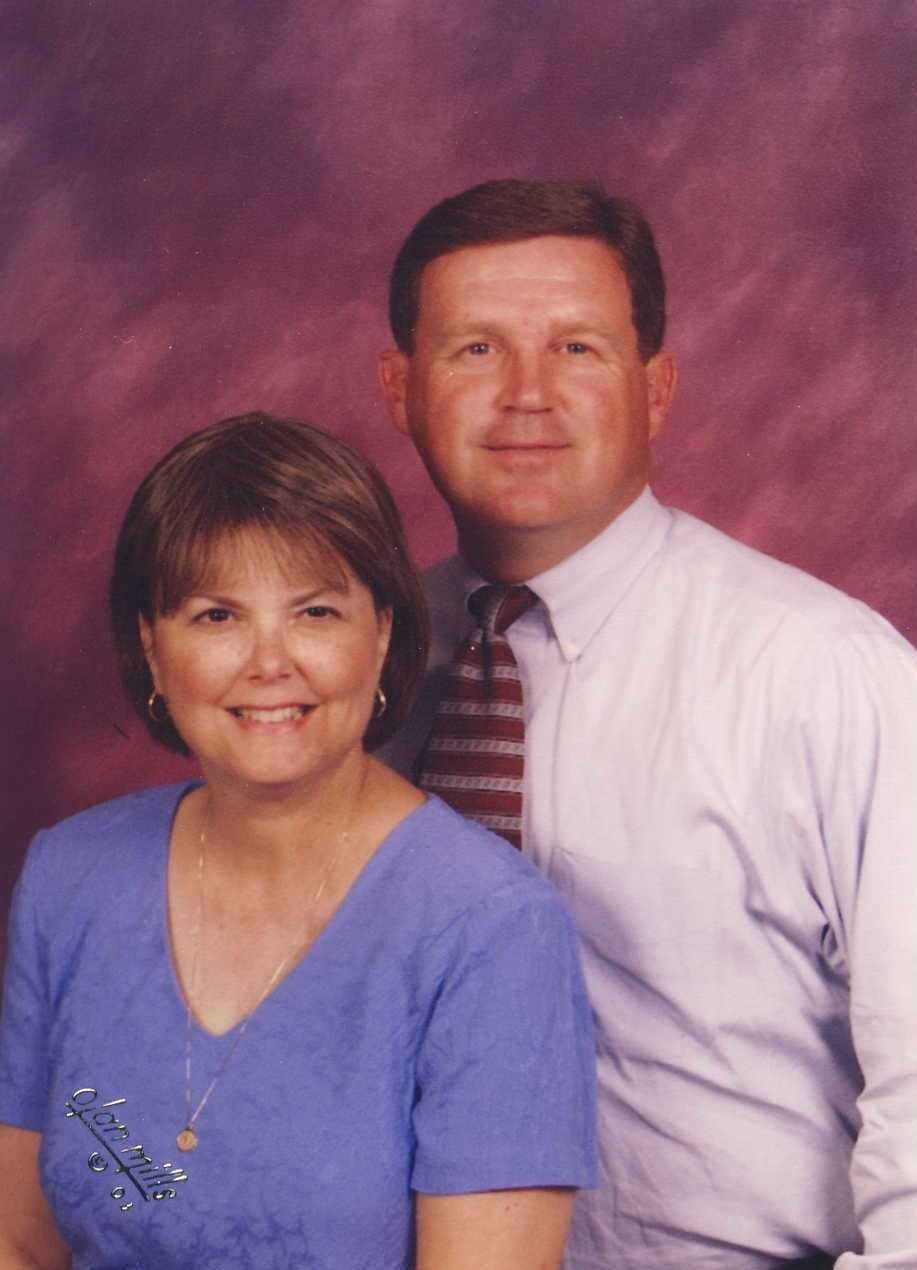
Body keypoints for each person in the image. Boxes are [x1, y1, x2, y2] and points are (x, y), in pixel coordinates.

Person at [377, 179, 917, 1270]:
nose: (526, 395)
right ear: (400, 389)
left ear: (655, 387)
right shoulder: (359, 669)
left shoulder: (820, 671)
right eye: (475, 349)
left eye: (575, 348)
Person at [0, 412, 597, 1269]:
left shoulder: (491, 927)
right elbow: (19, 1243)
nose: (268, 662)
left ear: (381, 632)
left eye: (314, 611)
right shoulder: (70, 878)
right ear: (152, 648)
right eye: (216, 616)